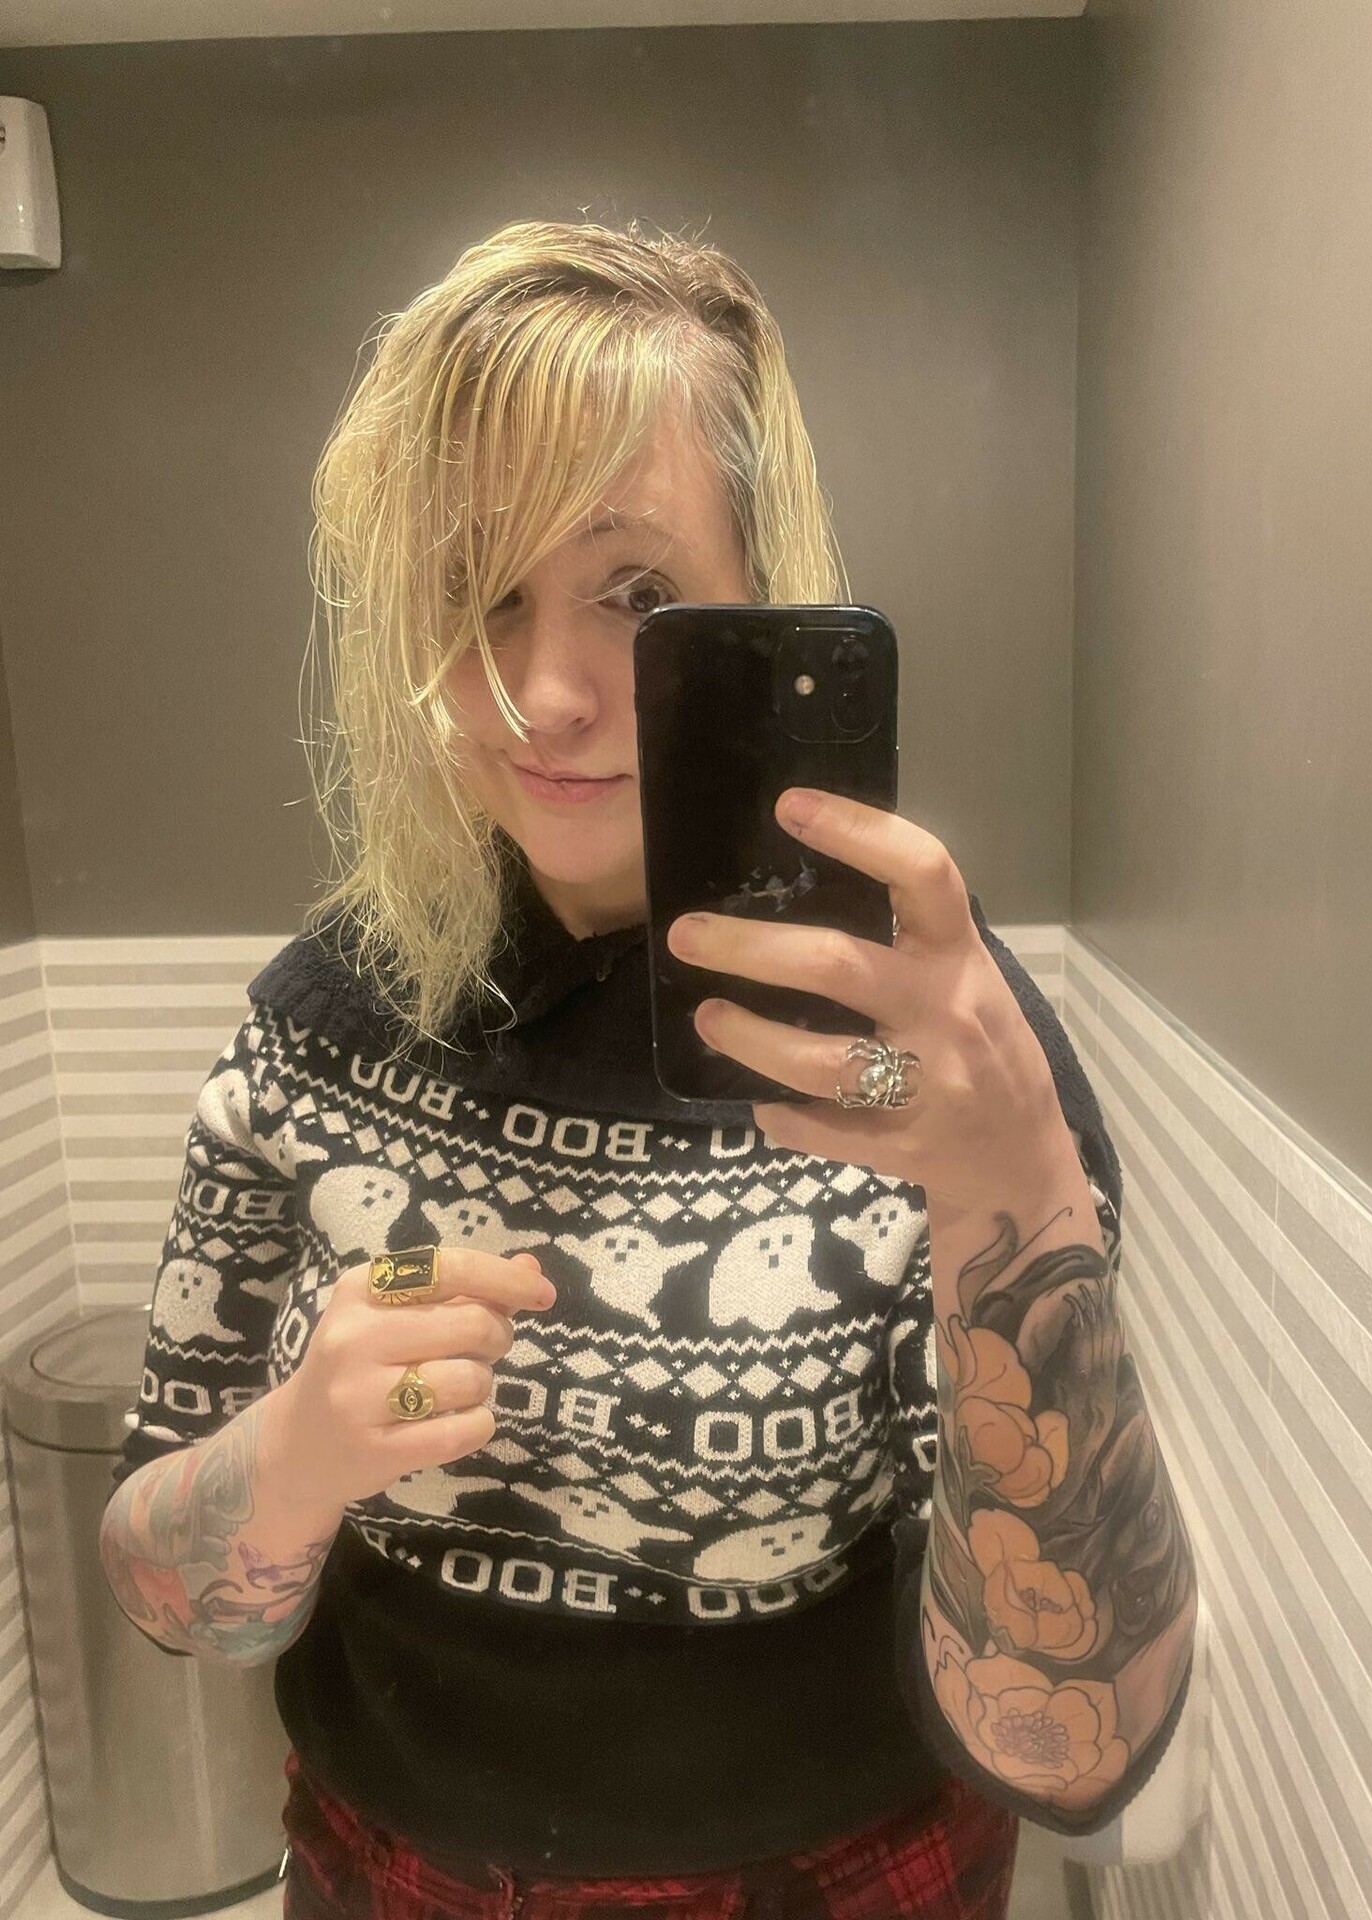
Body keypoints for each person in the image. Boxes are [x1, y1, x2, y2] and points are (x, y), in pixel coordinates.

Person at [100, 219, 1144, 1920]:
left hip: (835, 1883)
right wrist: (289, 1457)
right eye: (480, 592)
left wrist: (1019, 1184)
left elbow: (1078, 1744)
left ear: (759, 601)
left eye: (638, 595)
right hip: (379, 1875)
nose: (542, 692)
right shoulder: (316, 1024)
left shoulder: (933, 1057)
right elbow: (161, 1593)